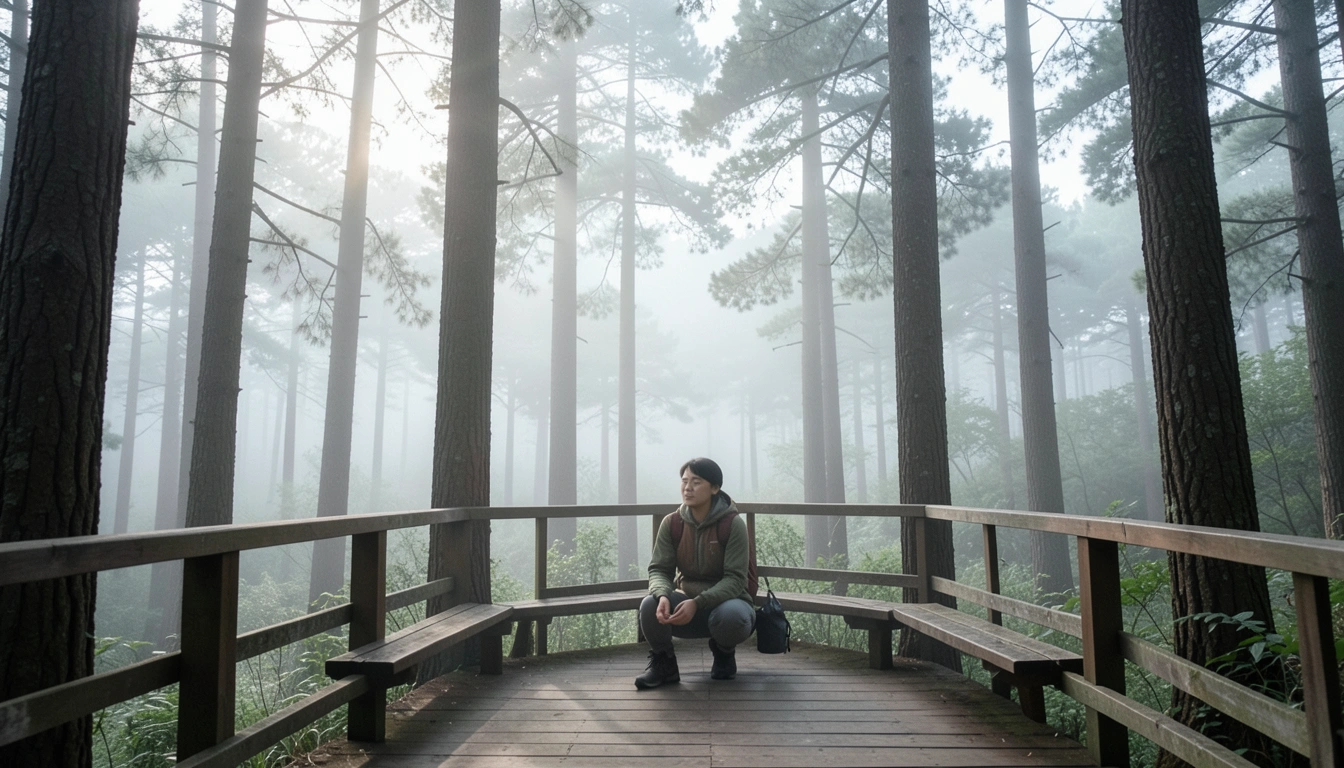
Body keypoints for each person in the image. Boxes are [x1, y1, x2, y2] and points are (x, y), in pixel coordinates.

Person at [635, 457, 755, 689]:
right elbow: (659, 569)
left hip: (728, 606)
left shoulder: (732, 524)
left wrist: (697, 602)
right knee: (650, 604)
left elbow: (735, 580)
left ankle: (724, 652)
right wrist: (662, 595)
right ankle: (664, 664)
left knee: (732, 616)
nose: (688, 488)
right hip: (687, 606)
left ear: (715, 488)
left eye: (696, 482)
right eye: (684, 481)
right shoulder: (672, 523)